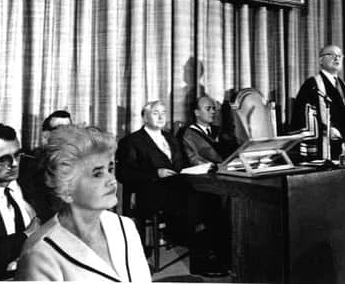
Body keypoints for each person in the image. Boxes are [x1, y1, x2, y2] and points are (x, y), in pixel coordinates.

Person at [16, 125, 151, 281]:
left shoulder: (125, 226)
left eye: (110, 169)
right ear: (66, 189)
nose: (112, 181)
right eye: (97, 174)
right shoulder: (40, 252)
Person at [116, 100, 227, 276]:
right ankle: (200, 264)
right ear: (144, 117)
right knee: (196, 202)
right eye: (155, 113)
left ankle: (216, 256)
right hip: (150, 193)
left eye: (163, 113)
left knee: (210, 197)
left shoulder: (171, 138)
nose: (161, 117)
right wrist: (155, 173)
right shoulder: (132, 141)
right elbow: (123, 174)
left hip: (176, 188)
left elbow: (181, 165)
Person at [291, 44, 345, 159]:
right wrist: (326, 129)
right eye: (332, 55)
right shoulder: (312, 85)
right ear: (321, 60)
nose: (337, 58)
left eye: (340, 56)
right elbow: (302, 116)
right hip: (323, 148)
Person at [0, 124, 41, 279]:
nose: (14, 164)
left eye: (17, 155)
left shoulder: (31, 186)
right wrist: (26, 235)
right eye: (3, 159)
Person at [181, 96, 237, 166]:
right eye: (208, 109)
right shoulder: (188, 135)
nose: (213, 111)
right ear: (197, 113)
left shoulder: (219, 131)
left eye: (214, 108)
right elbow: (193, 159)